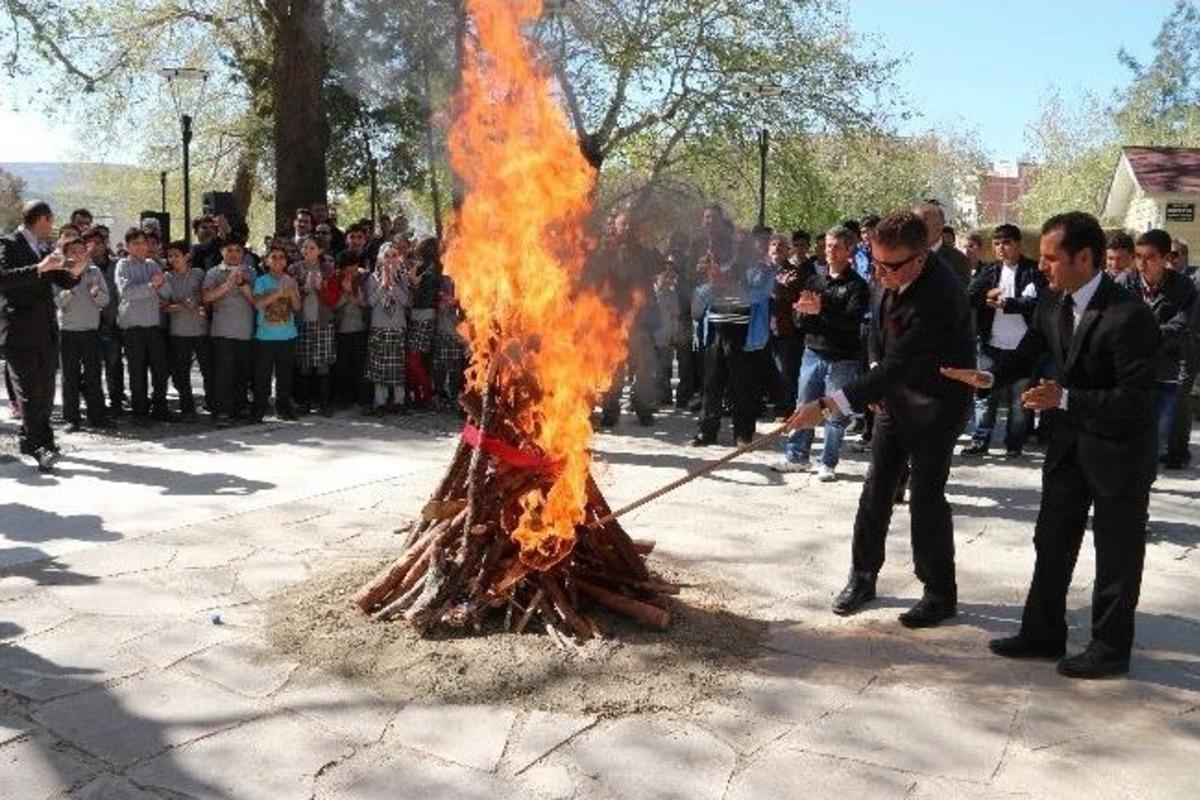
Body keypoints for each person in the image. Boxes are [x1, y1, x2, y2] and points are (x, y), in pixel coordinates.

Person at [942, 211, 1160, 679]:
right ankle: (1042, 632)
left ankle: (1109, 648)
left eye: (1049, 258)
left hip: (1119, 453)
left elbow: (1137, 401)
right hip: (1068, 447)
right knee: (1052, 539)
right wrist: (990, 376)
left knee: (1117, 553)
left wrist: (1065, 398)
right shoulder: (1049, 302)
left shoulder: (1129, 315)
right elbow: (1027, 352)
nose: (1040, 266)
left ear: (1085, 257)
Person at [787, 210, 974, 627]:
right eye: (874, 263)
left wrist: (826, 404)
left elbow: (903, 363)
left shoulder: (940, 297)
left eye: (890, 266)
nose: (880, 273)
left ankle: (939, 592)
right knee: (876, 490)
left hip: (936, 404)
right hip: (893, 398)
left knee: (925, 497)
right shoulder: (885, 270)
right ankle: (863, 576)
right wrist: (875, 384)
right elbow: (877, 334)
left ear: (920, 258)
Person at [774, 225, 869, 481]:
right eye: (827, 246)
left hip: (842, 358)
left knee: (835, 411)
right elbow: (800, 318)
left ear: (850, 250)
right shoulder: (814, 280)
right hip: (812, 352)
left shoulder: (857, 286)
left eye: (836, 247)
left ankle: (828, 462)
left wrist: (821, 312)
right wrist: (801, 313)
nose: (830, 252)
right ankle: (797, 456)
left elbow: (851, 321)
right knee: (804, 405)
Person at [1, 201, 86, 471]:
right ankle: (42, 445)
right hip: (19, 331)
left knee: (47, 393)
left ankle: (31, 440)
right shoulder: (8, 243)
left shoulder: (46, 248)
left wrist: (77, 270)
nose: (52, 227)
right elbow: (3, 278)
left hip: (47, 330)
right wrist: (39, 268)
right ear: (42, 219)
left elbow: (64, 280)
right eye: (50, 221)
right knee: (29, 393)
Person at [962, 224, 1044, 457]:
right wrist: (986, 295)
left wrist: (1010, 304)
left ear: (1018, 244)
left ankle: (1014, 444)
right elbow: (969, 295)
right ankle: (980, 440)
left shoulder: (1032, 271)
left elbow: (1038, 302)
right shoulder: (990, 271)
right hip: (991, 345)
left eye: (1006, 243)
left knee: (1020, 401)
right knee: (984, 396)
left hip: (1022, 347)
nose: (1001, 248)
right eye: (997, 244)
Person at [1115, 229, 1196, 464]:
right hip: (1131, 370)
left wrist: (1141, 333)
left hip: (1166, 370)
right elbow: (1115, 321)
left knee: (1157, 434)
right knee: (1129, 430)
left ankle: (1144, 478)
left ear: (1165, 258)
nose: (1141, 263)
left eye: (1149, 257)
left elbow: (1180, 326)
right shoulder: (1124, 282)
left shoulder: (1184, 287)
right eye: (1138, 256)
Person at [692, 229, 775, 446]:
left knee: (743, 387)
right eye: (734, 243)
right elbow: (700, 295)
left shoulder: (760, 269)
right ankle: (706, 432)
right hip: (716, 334)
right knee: (711, 386)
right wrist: (712, 282)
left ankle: (743, 434)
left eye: (742, 243)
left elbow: (760, 294)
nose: (737, 247)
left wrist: (732, 284)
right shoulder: (717, 266)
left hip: (744, 337)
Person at [593, 211, 662, 427]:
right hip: (613, 320)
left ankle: (643, 408)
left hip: (640, 320)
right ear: (615, 228)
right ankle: (610, 410)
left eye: (629, 226)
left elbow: (658, 268)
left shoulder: (644, 253)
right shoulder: (606, 253)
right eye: (622, 225)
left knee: (643, 367)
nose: (626, 230)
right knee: (614, 367)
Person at [53, 235, 111, 431]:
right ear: (65, 254)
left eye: (81, 251)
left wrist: (96, 293)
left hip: (91, 331)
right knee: (70, 377)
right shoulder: (59, 273)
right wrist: (69, 290)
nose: (77, 255)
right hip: (68, 332)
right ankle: (72, 419)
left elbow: (105, 301)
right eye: (73, 252)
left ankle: (98, 416)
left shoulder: (94, 272)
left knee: (94, 375)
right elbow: (56, 302)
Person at [115, 227, 170, 421]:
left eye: (143, 243)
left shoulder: (153, 265)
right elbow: (127, 292)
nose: (140, 247)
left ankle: (160, 408)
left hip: (153, 326)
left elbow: (167, 292)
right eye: (135, 243)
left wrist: (158, 286)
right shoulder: (122, 265)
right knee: (136, 371)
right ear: (128, 246)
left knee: (159, 370)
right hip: (133, 328)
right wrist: (151, 286)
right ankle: (139, 411)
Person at [202, 236, 256, 424]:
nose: (233, 254)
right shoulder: (213, 272)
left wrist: (242, 284)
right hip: (222, 331)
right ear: (222, 252)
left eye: (237, 250)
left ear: (243, 253)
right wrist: (227, 285)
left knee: (242, 372)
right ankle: (222, 411)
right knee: (224, 373)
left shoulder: (251, 272)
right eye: (229, 250)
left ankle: (239, 408)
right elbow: (207, 297)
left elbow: (257, 302)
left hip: (246, 331)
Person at [250, 244, 301, 421]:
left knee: (285, 377)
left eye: (281, 258)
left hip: (287, 336)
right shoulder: (261, 281)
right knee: (262, 377)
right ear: (267, 261)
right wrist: (278, 292)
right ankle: (259, 410)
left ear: (286, 262)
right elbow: (257, 304)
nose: (278, 261)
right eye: (274, 257)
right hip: (265, 337)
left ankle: (283, 409)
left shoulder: (290, 280)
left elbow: (296, 307)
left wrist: (292, 291)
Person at [162, 240, 211, 417]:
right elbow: (164, 307)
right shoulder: (166, 278)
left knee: (208, 370)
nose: (172, 259)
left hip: (201, 331)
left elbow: (206, 296)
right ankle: (187, 407)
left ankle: (212, 404)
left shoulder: (198, 274)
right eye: (169, 256)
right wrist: (182, 305)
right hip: (178, 333)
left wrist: (198, 302)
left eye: (176, 255)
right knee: (180, 374)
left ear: (187, 256)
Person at [292, 235, 339, 416]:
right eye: (305, 247)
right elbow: (291, 298)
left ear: (320, 251)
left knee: (323, 364)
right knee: (304, 364)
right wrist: (304, 288)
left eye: (312, 248)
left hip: (323, 322)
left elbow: (333, 300)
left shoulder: (328, 270)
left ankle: (324, 403)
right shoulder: (294, 269)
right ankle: (304, 403)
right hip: (303, 322)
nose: (307, 251)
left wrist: (320, 288)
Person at [82, 225, 125, 415]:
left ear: (105, 244)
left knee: (114, 362)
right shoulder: (80, 268)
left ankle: (116, 400)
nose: (95, 247)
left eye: (98, 243)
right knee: (90, 366)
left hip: (112, 322)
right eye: (89, 243)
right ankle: (94, 402)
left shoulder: (117, 265)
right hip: (88, 324)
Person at [365, 243, 411, 414]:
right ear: (380, 259)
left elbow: (406, 302)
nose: (390, 259)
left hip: (398, 326)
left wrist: (394, 286)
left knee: (397, 367)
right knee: (380, 367)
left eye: (393, 256)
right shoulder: (372, 278)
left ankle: (399, 401)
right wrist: (383, 285)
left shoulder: (403, 277)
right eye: (387, 256)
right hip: (379, 327)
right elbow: (370, 302)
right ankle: (380, 402)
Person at [767, 234, 809, 418]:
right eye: (773, 244)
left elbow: (786, 294)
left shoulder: (794, 272)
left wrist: (772, 290)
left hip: (784, 328)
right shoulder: (761, 270)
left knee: (785, 370)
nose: (777, 248)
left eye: (781, 245)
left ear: (787, 250)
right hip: (760, 330)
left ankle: (785, 408)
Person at [916, 201, 971, 286]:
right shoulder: (904, 255)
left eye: (921, 223)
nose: (913, 228)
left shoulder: (958, 260)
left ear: (939, 226)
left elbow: (957, 296)